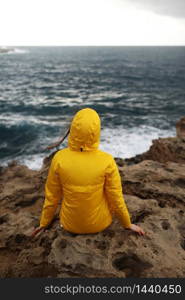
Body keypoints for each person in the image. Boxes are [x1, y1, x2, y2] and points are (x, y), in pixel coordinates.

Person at [33, 108, 144, 237]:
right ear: (96, 132)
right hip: (100, 224)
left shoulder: (59, 158)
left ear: (73, 129)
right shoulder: (107, 160)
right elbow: (116, 198)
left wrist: (44, 223)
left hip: (69, 225)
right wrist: (127, 224)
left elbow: (52, 197)